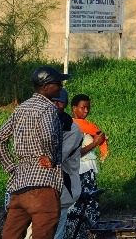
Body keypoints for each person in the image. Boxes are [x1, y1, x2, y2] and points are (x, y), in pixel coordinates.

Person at [0, 65, 70, 239]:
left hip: (19, 188)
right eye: (58, 84)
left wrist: (11, 167)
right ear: (46, 86)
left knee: (11, 235)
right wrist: (50, 157)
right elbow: (49, 136)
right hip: (44, 186)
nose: (61, 87)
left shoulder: (20, 109)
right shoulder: (48, 109)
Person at [65, 94, 107, 239]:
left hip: (88, 170)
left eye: (88, 108)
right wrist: (95, 143)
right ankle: (78, 234)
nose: (86, 111)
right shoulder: (72, 126)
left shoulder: (86, 126)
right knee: (79, 205)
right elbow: (74, 153)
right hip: (78, 171)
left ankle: (90, 233)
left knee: (90, 203)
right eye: (83, 108)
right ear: (74, 108)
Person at [50, 89, 83, 239]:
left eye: (59, 101)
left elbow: (56, 158)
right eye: (52, 100)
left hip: (62, 188)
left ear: (66, 104)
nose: (55, 104)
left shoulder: (72, 129)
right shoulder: (42, 122)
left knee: (55, 234)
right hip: (40, 190)